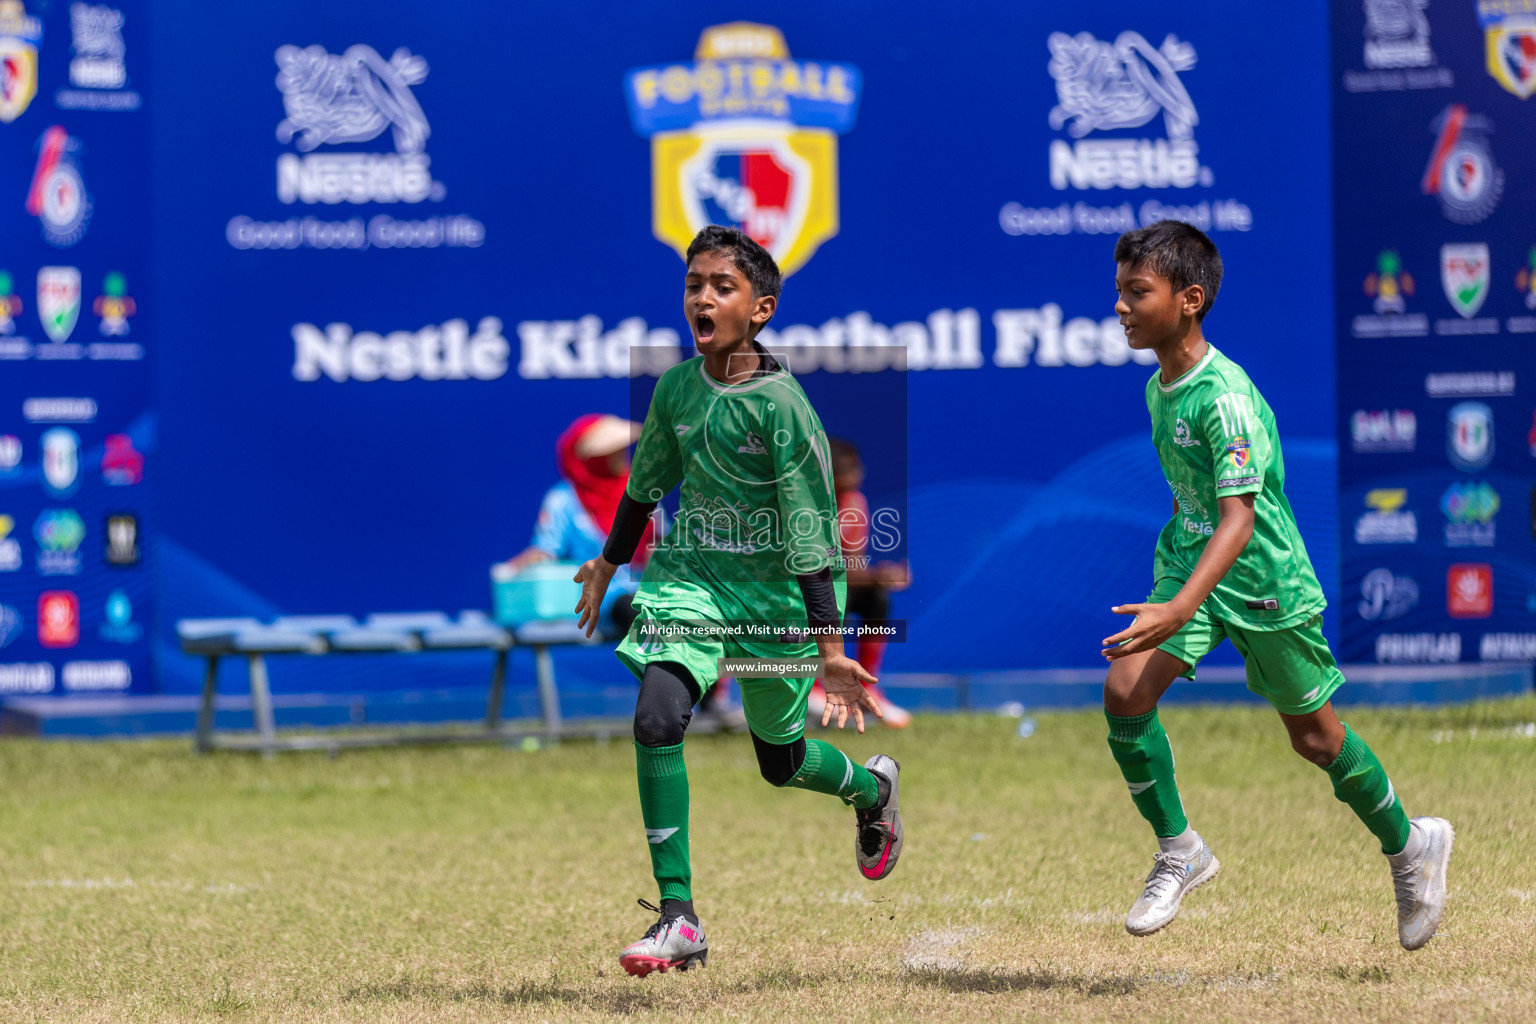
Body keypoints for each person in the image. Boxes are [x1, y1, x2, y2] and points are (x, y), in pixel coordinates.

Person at [1100, 221, 1453, 950]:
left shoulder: (1222, 397)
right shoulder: (1158, 389)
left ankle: (1410, 845)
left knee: (1318, 740)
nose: (1122, 308)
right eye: (1120, 293)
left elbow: (1238, 519)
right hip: (1191, 568)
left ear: (1189, 299)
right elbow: (1196, 506)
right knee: (1126, 692)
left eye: (1138, 292)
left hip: (1263, 581)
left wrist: (1181, 603)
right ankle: (1180, 850)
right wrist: (1178, 585)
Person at [572, 225, 904, 978]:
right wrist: (607, 562)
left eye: (722, 286)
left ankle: (870, 786)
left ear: (761, 309)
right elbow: (645, 484)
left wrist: (829, 650)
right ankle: (678, 915)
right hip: (692, 580)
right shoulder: (676, 388)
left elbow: (811, 537)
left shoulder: (782, 407)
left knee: (780, 762)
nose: (702, 296)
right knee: (658, 714)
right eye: (694, 283)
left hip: (778, 594)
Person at [505, 415, 745, 730]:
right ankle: (658, 712)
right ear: (592, 460)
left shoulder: (640, 490)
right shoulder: (563, 499)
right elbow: (545, 548)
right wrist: (517, 569)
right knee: (643, 614)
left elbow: (665, 542)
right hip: (602, 599)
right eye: (611, 453)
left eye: (621, 451)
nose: (622, 458)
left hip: (651, 589)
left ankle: (710, 700)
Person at [806, 438, 913, 728]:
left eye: (856, 469)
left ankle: (867, 685)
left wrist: (880, 576)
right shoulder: (806, 505)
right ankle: (816, 686)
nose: (855, 476)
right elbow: (816, 569)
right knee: (826, 596)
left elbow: (850, 564)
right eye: (845, 470)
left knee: (876, 597)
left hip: (832, 586)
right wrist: (878, 574)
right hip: (795, 593)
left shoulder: (855, 503)